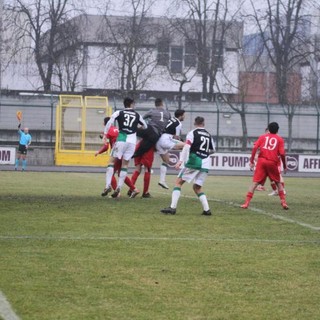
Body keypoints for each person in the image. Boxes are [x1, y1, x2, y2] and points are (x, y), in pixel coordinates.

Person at [161, 116, 215, 216]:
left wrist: (180, 161)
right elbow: (213, 150)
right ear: (204, 123)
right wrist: (204, 154)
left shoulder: (192, 133)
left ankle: (172, 208)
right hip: (206, 163)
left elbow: (186, 147)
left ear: (195, 123)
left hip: (195, 161)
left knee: (178, 182)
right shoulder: (209, 135)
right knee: (197, 187)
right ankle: (207, 210)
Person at [101, 97, 147, 198]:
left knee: (111, 162)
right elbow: (145, 126)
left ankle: (108, 185)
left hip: (122, 139)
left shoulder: (119, 113)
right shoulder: (137, 115)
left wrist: (105, 134)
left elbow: (110, 122)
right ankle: (119, 187)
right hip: (132, 142)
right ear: (132, 104)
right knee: (125, 165)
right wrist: (135, 128)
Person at [241, 122, 289, 210]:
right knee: (278, 182)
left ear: (269, 129)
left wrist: (251, 161)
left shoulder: (262, 137)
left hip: (261, 161)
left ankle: (246, 203)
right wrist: (285, 166)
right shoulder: (280, 139)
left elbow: (255, 148)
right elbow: (282, 154)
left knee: (255, 183)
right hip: (272, 162)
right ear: (277, 130)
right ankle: (283, 202)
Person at [97, 117, 139, 198]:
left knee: (111, 172)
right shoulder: (116, 129)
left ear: (104, 124)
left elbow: (106, 147)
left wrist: (98, 152)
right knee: (120, 173)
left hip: (118, 152)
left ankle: (117, 193)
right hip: (125, 150)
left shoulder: (108, 131)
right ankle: (134, 189)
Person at [156, 109, 186, 189]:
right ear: (181, 115)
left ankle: (162, 181)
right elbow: (176, 137)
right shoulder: (178, 123)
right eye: (184, 115)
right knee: (186, 146)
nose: (184, 116)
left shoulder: (171, 119)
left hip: (159, 140)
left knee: (166, 160)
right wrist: (182, 142)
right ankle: (186, 166)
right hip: (166, 139)